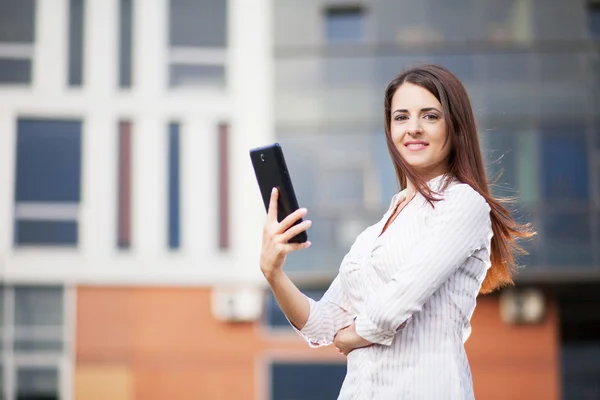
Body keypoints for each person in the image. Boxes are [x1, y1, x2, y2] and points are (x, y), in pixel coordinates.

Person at [259, 64, 534, 399]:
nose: (413, 129)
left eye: (430, 116)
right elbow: (321, 325)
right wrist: (273, 272)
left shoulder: (463, 203)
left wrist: (352, 336)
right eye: (401, 117)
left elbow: (396, 304)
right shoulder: (374, 233)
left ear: (455, 126)